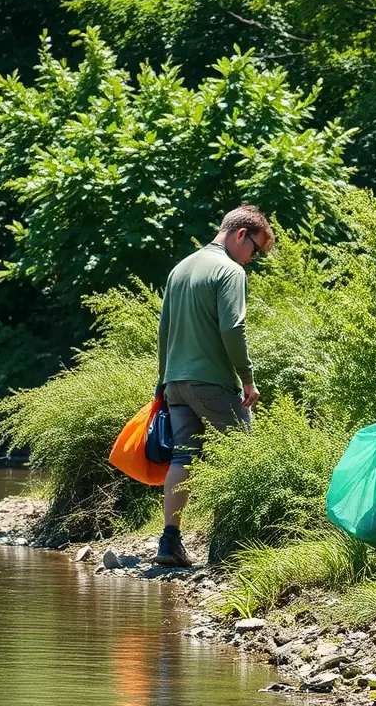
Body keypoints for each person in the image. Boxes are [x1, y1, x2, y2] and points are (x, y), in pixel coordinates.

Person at [154, 205, 274, 567]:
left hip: (175, 383)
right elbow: (232, 328)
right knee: (242, 455)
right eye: (255, 250)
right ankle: (230, 548)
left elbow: (163, 332)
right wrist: (248, 378)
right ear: (241, 235)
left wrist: (162, 382)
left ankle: (169, 542)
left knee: (182, 457)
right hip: (212, 383)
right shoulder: (229, 271)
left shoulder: (180, 268)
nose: (253, 260)